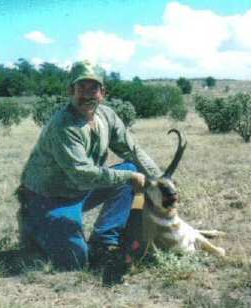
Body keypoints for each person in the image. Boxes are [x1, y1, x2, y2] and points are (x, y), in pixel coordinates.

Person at [16, 60, 161, 273]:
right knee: (75, 262)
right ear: (70, 91)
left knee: (130, 168)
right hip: (50, 199)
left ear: (103, 92)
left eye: (93, 88)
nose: (86, 94)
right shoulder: (64, 125)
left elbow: (132, 150)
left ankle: (105, 241)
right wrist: (130, 178)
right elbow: (82, 174)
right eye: (80, 88)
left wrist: (160, 179)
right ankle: (34, 225)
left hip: (81, 191)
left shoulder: (107, 116)